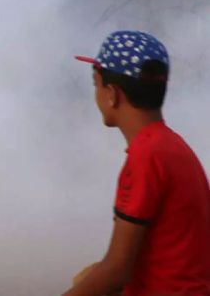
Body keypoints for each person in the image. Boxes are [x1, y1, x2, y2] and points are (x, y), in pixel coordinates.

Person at [64, 30, 210, 296]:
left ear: (112, 93)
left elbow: (117, 270)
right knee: (86, 275)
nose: (96, 95)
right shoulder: (172, 146)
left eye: (96, 85)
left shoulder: (146, 157)